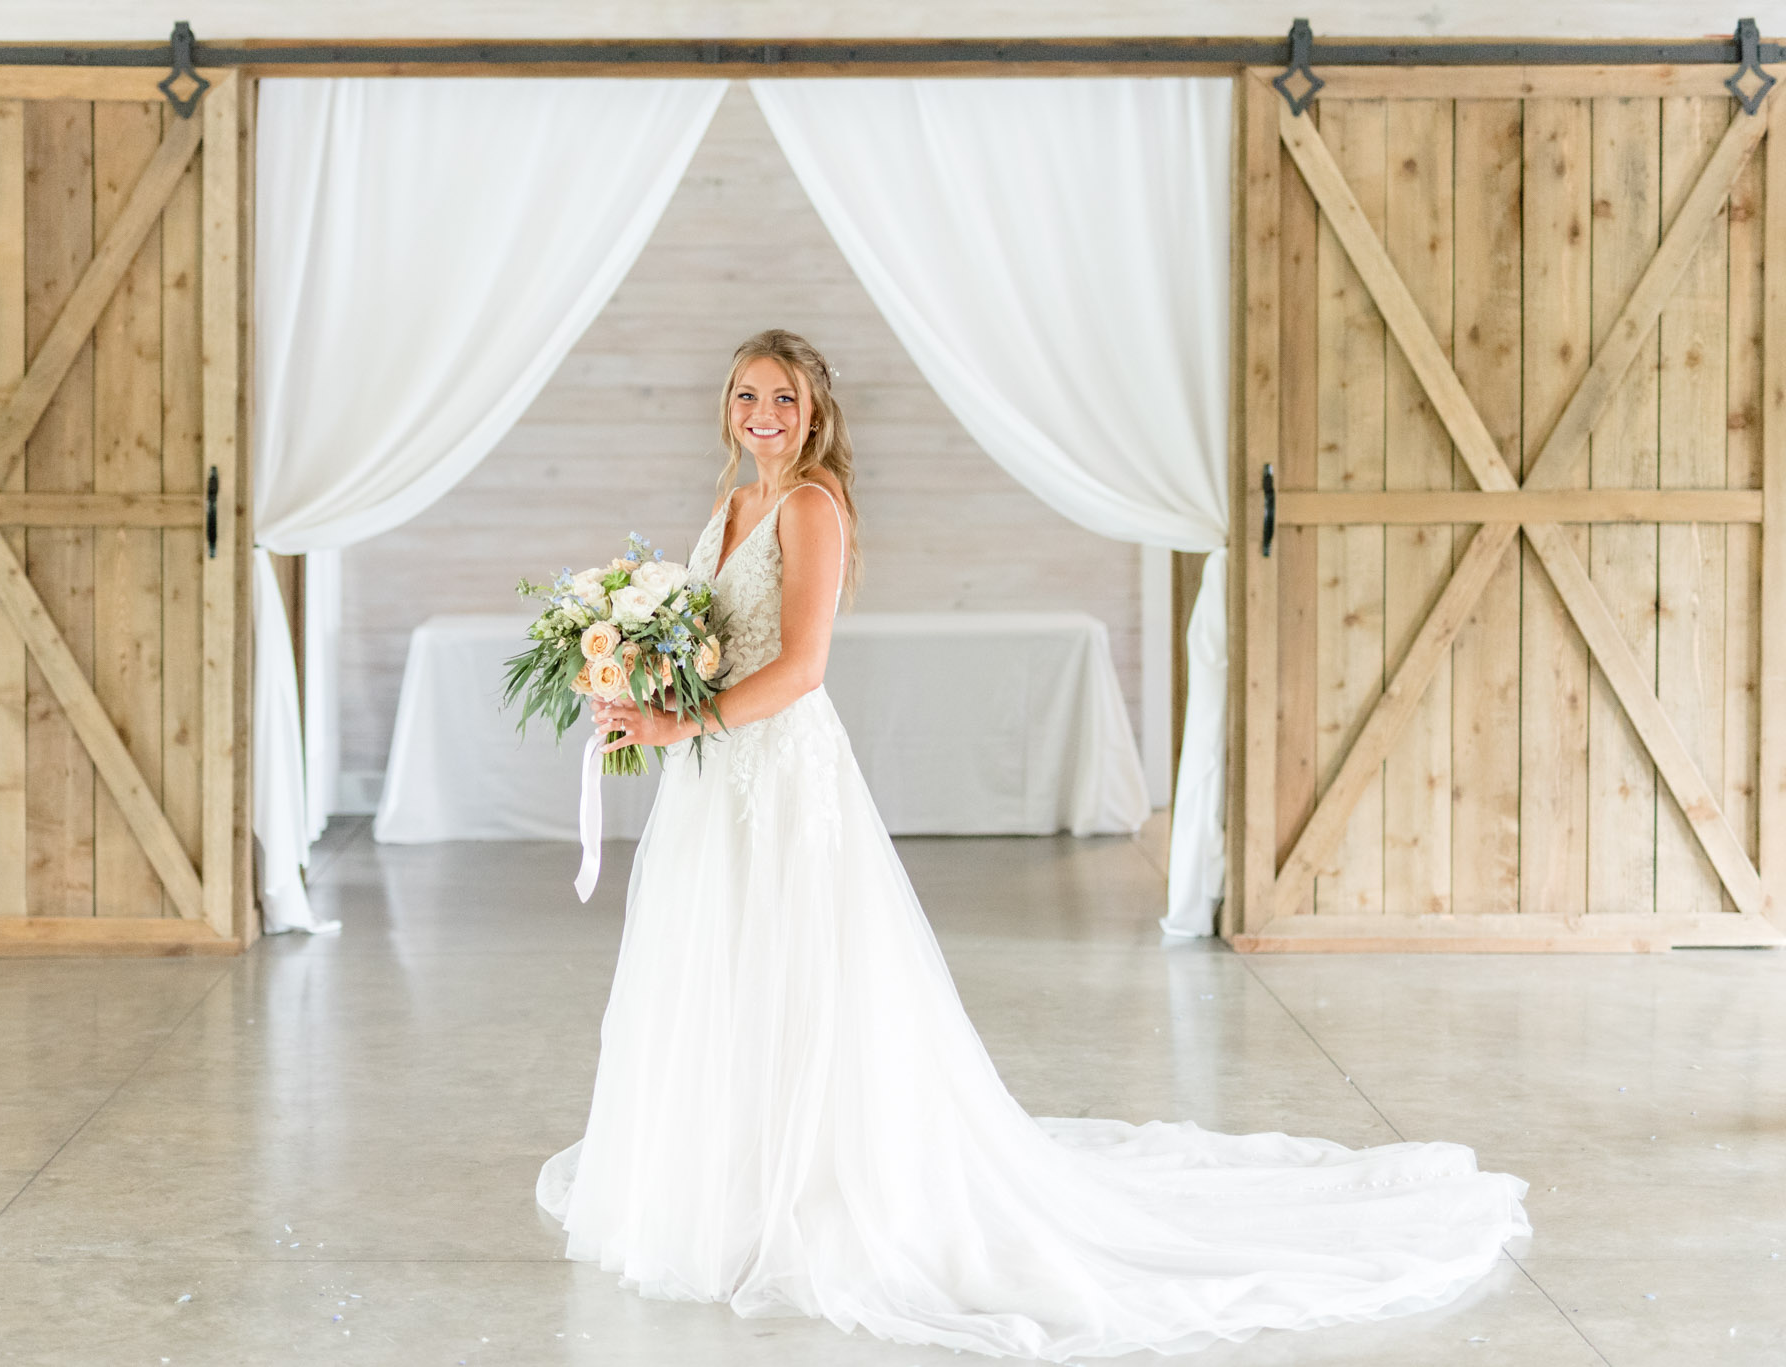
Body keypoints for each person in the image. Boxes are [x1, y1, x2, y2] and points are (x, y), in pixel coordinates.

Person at [537, 328, 1529, 1361]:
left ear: (815, 410)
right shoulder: (730, 501)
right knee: (722, 967)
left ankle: (811, 1185)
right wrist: (645, 680)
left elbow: (800, 668)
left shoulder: (810, 506)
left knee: (797, 971)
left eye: (782, 398)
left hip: (776, 774)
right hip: (713, 777)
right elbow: (711, 637)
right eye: (746, 395)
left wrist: (677, 723)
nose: (762, 416)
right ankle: (724, 1177)